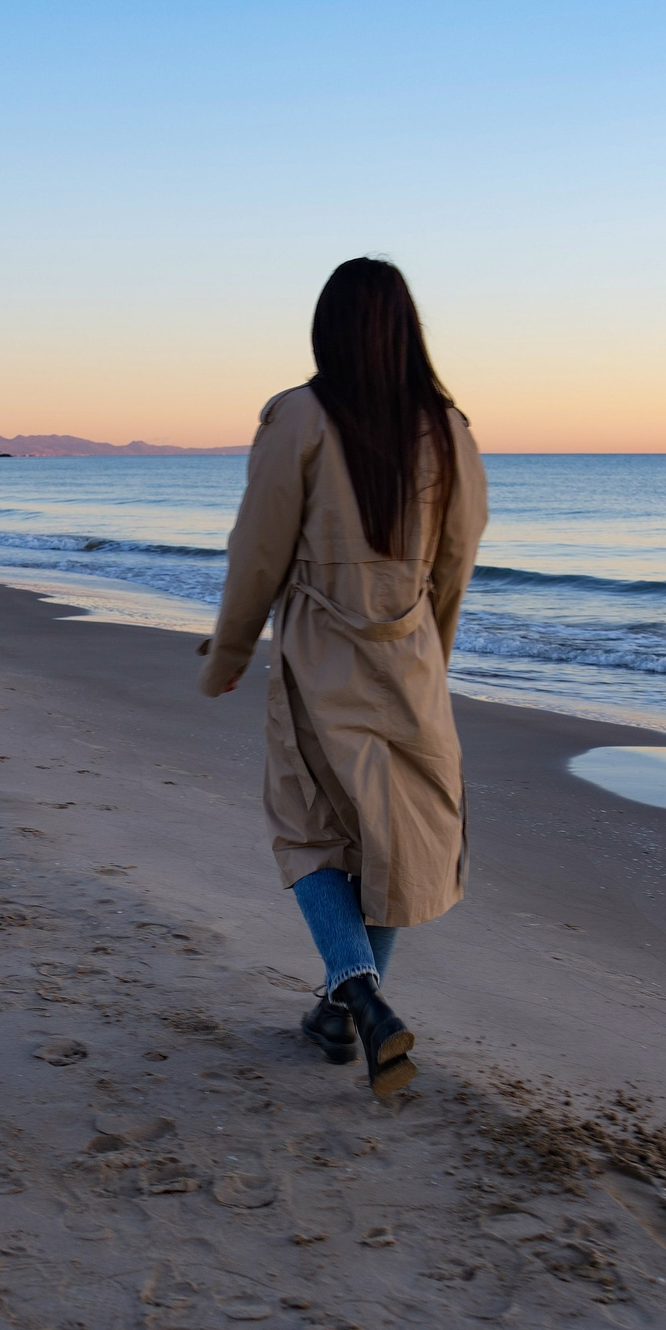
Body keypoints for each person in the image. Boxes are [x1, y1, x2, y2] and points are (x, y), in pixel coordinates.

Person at [198, 258, 487, 1098]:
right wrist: (433, 657)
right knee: (401, 843)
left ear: (327, 330)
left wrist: (229, 651)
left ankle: (357, 993)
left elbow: (258, 550)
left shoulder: (301, 417)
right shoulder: (449, 429)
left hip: (322, 659)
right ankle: (338, 1013)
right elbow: (457, 564)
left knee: (309, 831)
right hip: (411, 665)